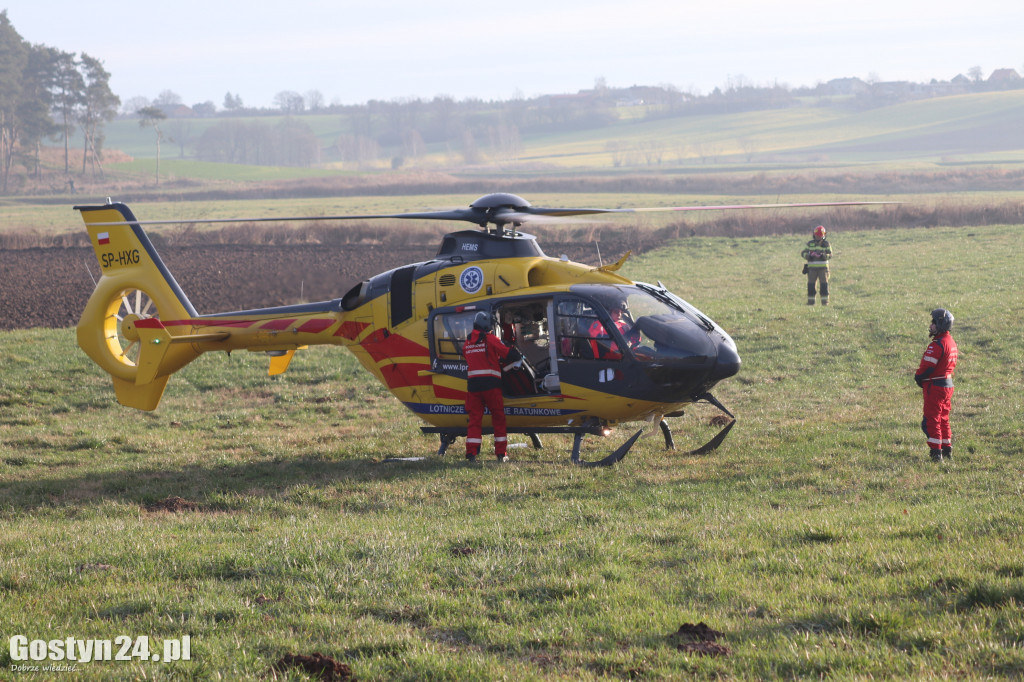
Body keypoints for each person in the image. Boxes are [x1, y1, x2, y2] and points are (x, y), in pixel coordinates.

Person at [462, 311, 516, 462]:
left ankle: (471, 453)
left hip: (473, 388)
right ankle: (500, 453)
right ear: (487, 325)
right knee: (498, 418)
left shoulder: (467, 343)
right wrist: (516, 354)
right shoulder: (490, 339)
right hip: (491, 386)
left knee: (474, 419)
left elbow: (468, 358)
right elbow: (506, 352)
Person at [914, 308, 958, 462]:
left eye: (933, 322)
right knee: (944, 419)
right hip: (947, 385)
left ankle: (936, 455)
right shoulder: (951, 342)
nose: (931, 325)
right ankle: (947, 450)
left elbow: (927, 368)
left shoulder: (937, 345)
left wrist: (918, 377)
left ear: (940, 324)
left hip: (935, 387)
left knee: (931, 421)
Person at [801, 225, 832, 305]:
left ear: (823, 236)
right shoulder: (810, 244)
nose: (818, 237)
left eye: (820, 236)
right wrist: (809, 256)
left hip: (823, 269)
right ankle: (811, 303)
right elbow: (803, 253)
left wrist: (823, 256)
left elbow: (830, 255)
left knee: (824, 286)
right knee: (811, 286)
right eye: (817, 236)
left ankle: (825, 303)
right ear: (814, 235)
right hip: (812, 269)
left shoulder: (826, 244)